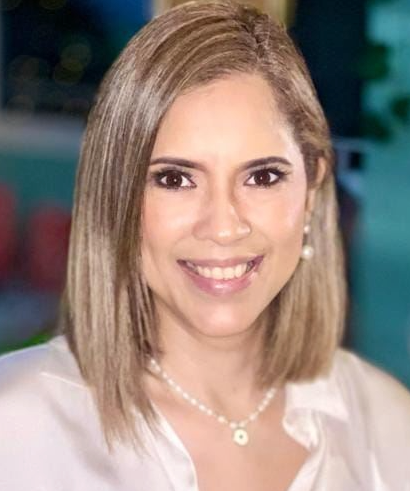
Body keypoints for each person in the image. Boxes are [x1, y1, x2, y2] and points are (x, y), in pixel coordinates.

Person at [0, 1, 409, 490]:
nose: (223, 226)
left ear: (312, 191)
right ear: (118, 197)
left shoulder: (385, 425)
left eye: (262, 177)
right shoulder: (17, 425)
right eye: (175, 179)